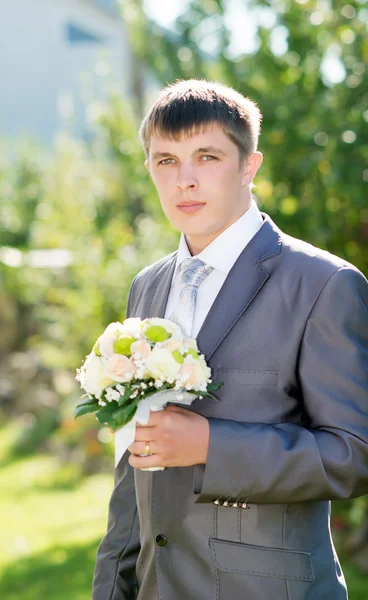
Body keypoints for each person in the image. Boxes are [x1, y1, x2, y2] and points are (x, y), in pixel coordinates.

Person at [91, 79, 368, 600]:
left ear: (249, 166)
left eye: (207, 156)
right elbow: (132, 470)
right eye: (166, 161)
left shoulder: (323, 284)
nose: (185, 181)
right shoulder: (146, 287)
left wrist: (209, 446)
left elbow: (355, 453)